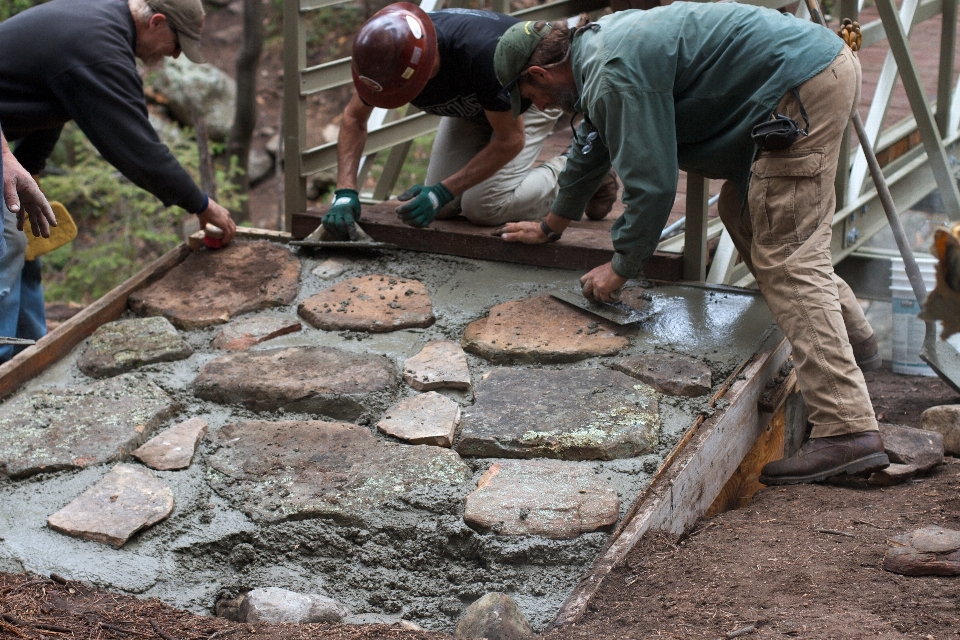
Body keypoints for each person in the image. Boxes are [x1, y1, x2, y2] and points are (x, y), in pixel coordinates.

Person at [494, 3, 889, 485]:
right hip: (805, 77)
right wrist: (551, 225)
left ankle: (847, 430)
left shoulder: (611, 73)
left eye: (530, 96)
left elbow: (655, 186)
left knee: (788, 257)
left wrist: (621, 265)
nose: (537, 107)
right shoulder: (594, 52)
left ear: (538, 71)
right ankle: (856, 344)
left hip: (798, 91)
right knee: (742, 215)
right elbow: (592, 147)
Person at [0, 0, 237, 362]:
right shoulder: (101, 49)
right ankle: (4, 368)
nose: (175, 56)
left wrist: (29, 170)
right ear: (156, 22)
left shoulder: (99, 22)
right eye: (177, 45)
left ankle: (29, 356)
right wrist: (201, 205)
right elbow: (137, 149)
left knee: (24, 241)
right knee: (6, 243)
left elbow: (52, 101)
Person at [321, 2, 617, 240]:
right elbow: (353, 118)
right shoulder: (386, 53)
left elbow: (510, 140)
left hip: (528, 91)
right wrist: (345, 192)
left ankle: (585, 171)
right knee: (445, 208)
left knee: (484, 207)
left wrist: (442, 189)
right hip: (474, 106)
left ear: (426, 65)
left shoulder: (480, 54)